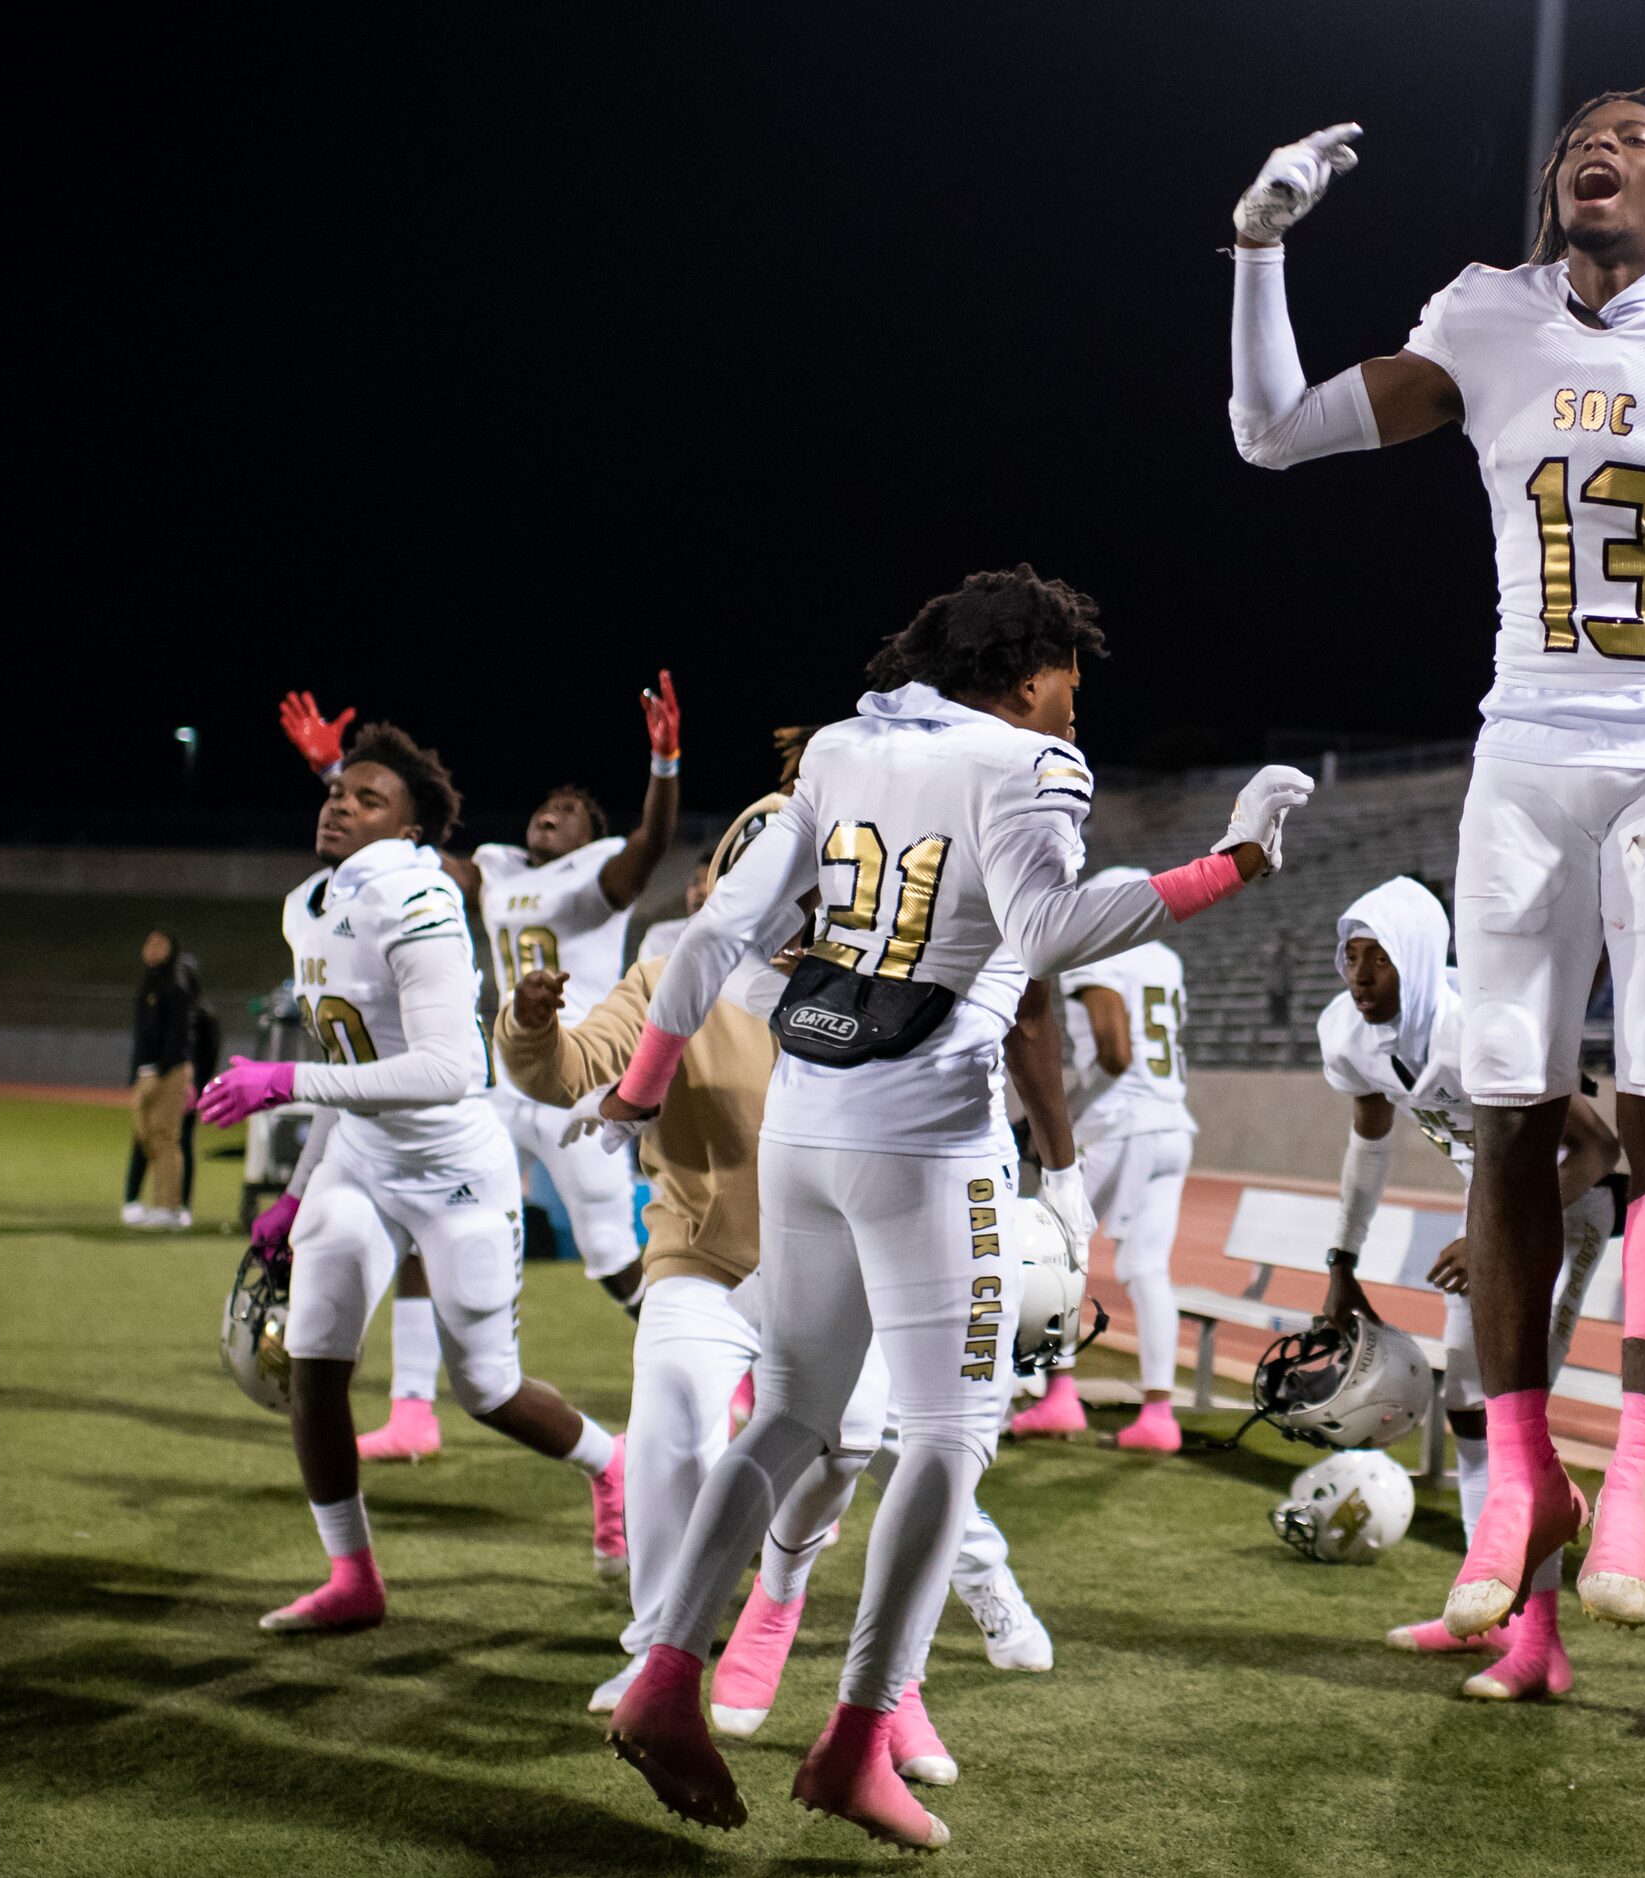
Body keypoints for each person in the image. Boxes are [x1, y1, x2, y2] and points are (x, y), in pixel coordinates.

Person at [1224, 88, 1645, 1639]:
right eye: (1581, 128)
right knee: (1502, 1121)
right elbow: (1268, 433)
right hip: (1518, 759)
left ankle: (1636, 1460)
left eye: (1631, 133)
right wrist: (1255, 249)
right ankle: (1520, 1470)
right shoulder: (1485, 320)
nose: (1597, 144)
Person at [601, 566, 1311, 1848]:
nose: (1076, 720)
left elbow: (717, 936)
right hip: (927, 1132)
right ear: (1030, 670)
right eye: (1071, 693)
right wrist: (1234, 864)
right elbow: (1045, 931)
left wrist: (644, 1087)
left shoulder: (838, 742)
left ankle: (664, 1673)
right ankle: (858, 1736)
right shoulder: (1026, 763)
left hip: (803, 1120)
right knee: (945, 1436)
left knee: (794, 1417)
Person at [501, 800, 1054, 1748]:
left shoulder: (882, 984)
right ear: (714, 884)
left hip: (847, 1269)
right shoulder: (671, 976)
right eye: (744, 872)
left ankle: (913, 1616)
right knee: (675, 1404)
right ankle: (657, 1644)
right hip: (709, 1257)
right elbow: (570, 1068)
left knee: (872, 1444)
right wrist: (529, 1027)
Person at [194, 722, 628, 1630]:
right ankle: (353, 1577)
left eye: (365, 797)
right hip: (359, 1160)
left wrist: (282, 1081)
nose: (338, 805)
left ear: (409, 830)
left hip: (455, 1169)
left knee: (488, 1391)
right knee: (315, 1369)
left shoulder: (421, 900)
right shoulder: (306, 903)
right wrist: (300, 1186)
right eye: (334, 791)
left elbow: (444, 1069)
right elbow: (350, 1060)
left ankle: (610, 1464)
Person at [279, 676, 680, 1462]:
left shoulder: (595, 878)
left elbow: (648, 850)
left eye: (567, 811)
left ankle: (712, 1364)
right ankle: (411, 1410)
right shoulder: (496, 870)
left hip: (574, 1085)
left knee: (608, 1254)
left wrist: (664, 765)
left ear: (588, 834)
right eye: (545, 805)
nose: (548, 813)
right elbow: (397, 846)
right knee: (430, 1223)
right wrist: (335, 776)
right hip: (499, 1079)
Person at [1311, 877, 1617, 1700]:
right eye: (1351, 952)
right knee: (1471, 1414)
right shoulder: (1353, 1036)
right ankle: (1493, 1607)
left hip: (1564, 1210)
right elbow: (1369, 1148)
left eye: (1378, 956)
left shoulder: (1476, 1026)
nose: (1360, 973)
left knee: (1518, 1425)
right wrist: (1342, 1260)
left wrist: (1491, 1239)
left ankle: (1542, 1643)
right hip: (1489, 1212)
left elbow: (1597, 1150)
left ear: (1416, 956)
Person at [1007, 873, 1196, 1450]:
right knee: (1147, 1268)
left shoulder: (1108, 950)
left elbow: (1115, 1055)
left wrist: (1054, 1121)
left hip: (1120, 1123)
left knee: (1052, 1251)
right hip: (1172, 1123)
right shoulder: (1163, 956)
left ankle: (1056, 1394)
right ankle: (1159, 1414)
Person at [123, 931, 196, 1229]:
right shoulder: (149, 983)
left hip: (167, 1072)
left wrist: (161, 1069)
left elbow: (177, 1035)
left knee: (166, 1138)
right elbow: (142, 1035)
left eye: (160, 944)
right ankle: (156, 1203)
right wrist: (137, 1072)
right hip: (147, 1072)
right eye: (149, 942)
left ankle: (168, 1207)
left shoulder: (175, 986)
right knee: (146, 1135)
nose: (152, 949)